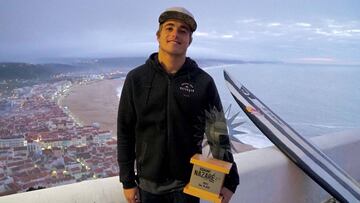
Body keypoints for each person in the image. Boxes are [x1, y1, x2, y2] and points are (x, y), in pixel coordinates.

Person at [117, 7, 239, 203]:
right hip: (147, 186)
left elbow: (217, 134)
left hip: (190, 184)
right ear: (158, 36)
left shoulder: (203, 82)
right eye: (169, 28)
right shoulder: (136, 79)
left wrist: (231, 180)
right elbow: (125, 132)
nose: (175, 34)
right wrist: (127, 181)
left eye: (183, 30)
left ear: (190, 39)